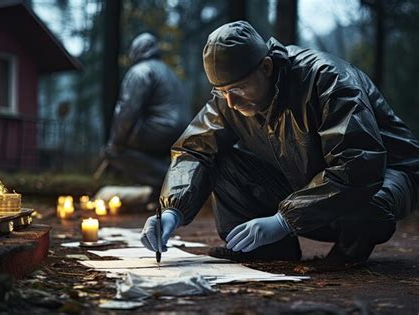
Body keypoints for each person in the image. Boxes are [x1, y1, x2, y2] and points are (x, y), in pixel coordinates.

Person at [140, 21, 419, 265]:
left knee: (371, 201)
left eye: (236, 89)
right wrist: (172, 210)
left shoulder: (328, 80)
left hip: (386, 177)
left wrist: (283, 220)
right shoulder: (229, 99)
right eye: (221, 91)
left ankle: (348, 254)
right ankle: (270, 251)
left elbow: (358, 165)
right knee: (219, 159)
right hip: (308, 181)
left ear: (267, 66)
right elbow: (194, 150)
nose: (231, 103)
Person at [103, 32, 191, 191]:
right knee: (145, 154)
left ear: (135, 51)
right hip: (182, 131)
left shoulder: (140, 71)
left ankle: (169, 179)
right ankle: (157, 191)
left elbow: (127, 110)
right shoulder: (170, 72)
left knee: (115, 152)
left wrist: (115, 143)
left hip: (160, 129)